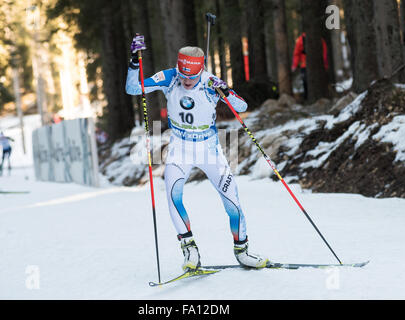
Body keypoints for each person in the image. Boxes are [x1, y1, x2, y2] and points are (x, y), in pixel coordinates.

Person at [125, 34, 269, 271]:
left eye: (192, 77)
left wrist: (226, 91)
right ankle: (190, 251)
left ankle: (242, 251)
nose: (187, 82)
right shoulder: (170, 77)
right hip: (180, 147)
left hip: (208, 148)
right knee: (173, 195)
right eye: (184, 76)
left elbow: (242, 107)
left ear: (200, 70)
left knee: (232, 200)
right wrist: (134, 61)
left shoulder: (211, 81)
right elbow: (133, 88)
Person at [291, 32, 329, 100]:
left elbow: (296, 54)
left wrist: (294, 65)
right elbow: (324, 54)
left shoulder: (300, 39)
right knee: (308, 82)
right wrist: (295, 65)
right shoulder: (319, 39)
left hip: (306, 65)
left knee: (307, 82)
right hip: (309, 65)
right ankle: (310, 98)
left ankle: (309, 98)